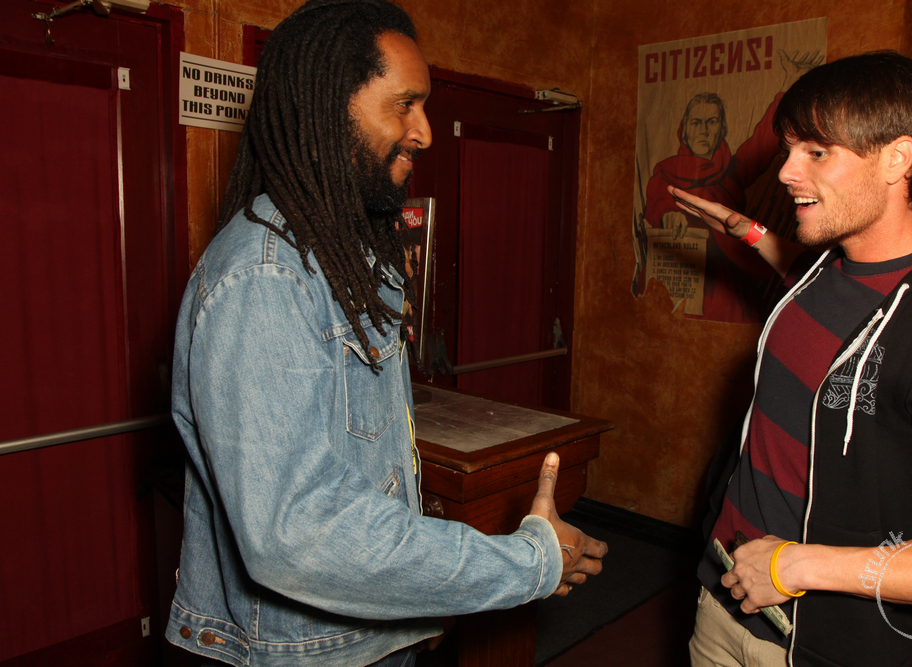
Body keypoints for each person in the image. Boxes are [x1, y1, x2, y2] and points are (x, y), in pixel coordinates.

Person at [166, 2, 607, 665]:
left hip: (365, 638)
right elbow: (300, 532)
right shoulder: (264, 278)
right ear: (327, 107)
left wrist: (420, 603)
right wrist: (526, 562)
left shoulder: (345, 255)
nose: (423, 132)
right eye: (405, 105)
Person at [671, 51, 912, 666]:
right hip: (722, 592)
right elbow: (812, 282)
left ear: (897, 159)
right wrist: (747, 231)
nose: (786, 172)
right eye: (790, 149)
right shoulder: (826, 264)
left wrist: (796, 566)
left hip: (816, 640)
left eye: (816, 152)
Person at [638, 51, 822, 322]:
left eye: (712, 122)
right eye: (696, 123)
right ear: (684, 130)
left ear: (722, 129)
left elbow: (763, 139)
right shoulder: (666, 172)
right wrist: (670, 215)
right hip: (680, 279)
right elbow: (658, 198)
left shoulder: (732, 173)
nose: (704, 130)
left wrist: (788, 86)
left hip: (726, 284)